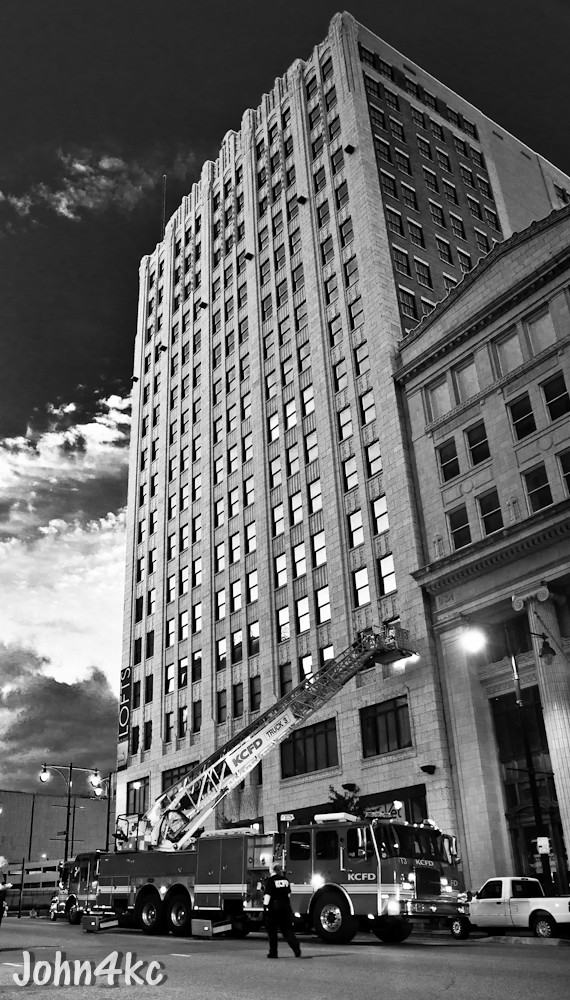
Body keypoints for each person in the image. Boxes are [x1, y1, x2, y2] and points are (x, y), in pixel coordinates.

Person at [263, 862, 301, 959]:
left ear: (272, 870)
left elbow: (268, 895)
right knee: (286, 930)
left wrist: (265, 907)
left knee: (272, 932)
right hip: (285, 907)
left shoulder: (271, 881)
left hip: (274, 909)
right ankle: (295, 947)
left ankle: (273, 953)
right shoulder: (285, 880)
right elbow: (288, 894)